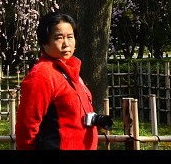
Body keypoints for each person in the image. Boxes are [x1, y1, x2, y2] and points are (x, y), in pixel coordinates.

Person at [15, 11, 106, 150]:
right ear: (44, 42)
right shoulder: (41, 75)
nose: (66, 43)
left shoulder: (71, 70)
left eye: (70, 37)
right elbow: (27, 126)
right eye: (59, 38)